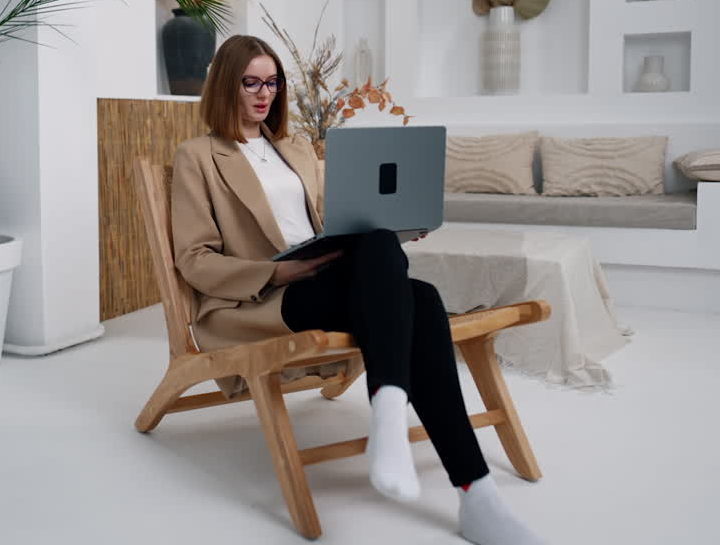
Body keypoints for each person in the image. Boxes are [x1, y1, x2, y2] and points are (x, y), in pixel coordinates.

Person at [169, 34, 548, 545]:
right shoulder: (199, 156)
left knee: (381, 246)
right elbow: (194, 260)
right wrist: (275, 273)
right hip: (268, 295)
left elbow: (334, 220)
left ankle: (449, 468)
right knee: (423, 300)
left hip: (329, 275)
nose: (264, 94)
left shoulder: (294, 148)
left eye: (273, 82)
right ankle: (458, 475)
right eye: (250, 82)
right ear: (225, 87)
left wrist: (399, 225)